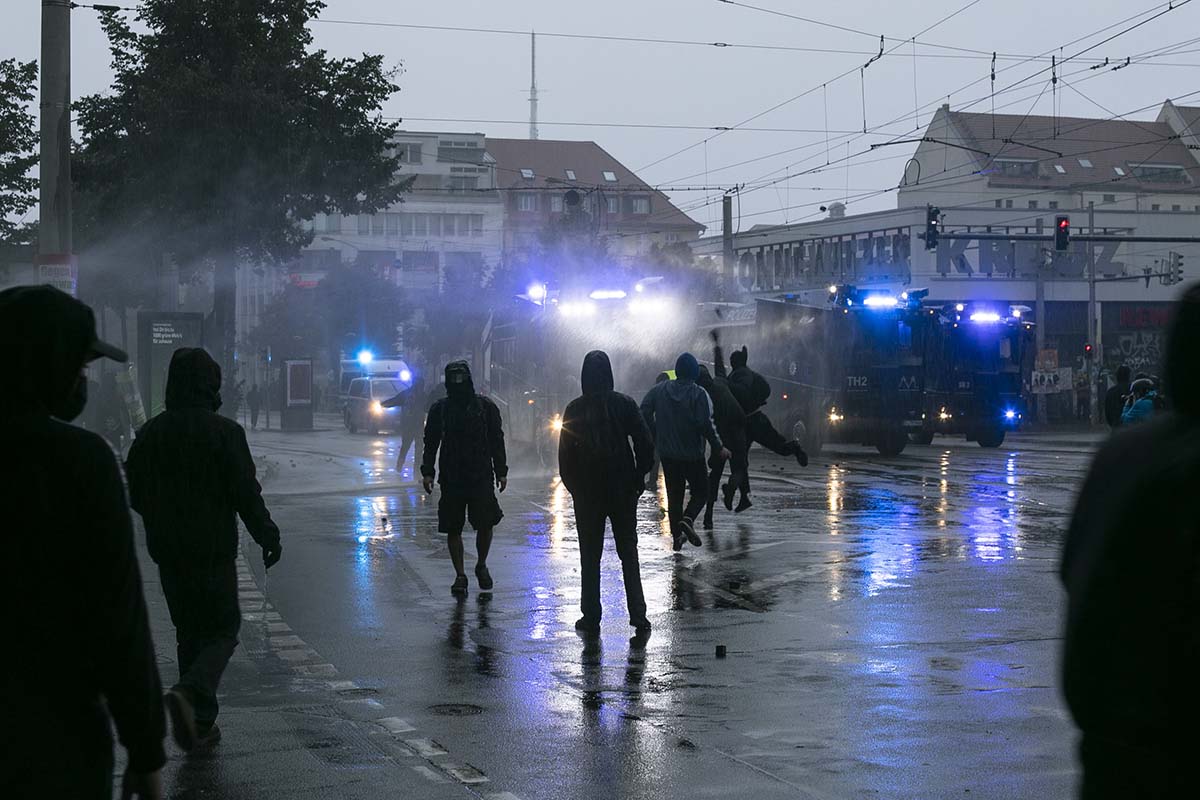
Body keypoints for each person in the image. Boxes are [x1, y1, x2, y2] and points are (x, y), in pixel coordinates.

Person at [0, 285, 166, 799]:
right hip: (54, 742)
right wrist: (144, 747)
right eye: (78, 367)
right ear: (46, 366)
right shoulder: (80, 462)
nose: (82, 381)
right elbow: (117, 615)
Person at [1060, 282, 1199, 799]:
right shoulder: (1185, 466)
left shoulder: (1119, 455)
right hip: (1177, 758)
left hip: (1105, 753)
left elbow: (1072, 567)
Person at [126, 347, 283, 750]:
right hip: (212, 549)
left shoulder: (150, 434)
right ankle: (191, 694)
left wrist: (162, 519)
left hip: (168, 552)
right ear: (210, 383)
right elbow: (245, 493)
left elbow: (136, 494)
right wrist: (267, 535)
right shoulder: (225, 433)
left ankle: (198, 720)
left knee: (189, 632)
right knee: (223, 628)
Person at [558, 351, 655, 634]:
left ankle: (591, 616)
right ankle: (638, 614)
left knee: (590, 556)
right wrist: (638, 477)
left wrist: (575, 489)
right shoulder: (624, 404)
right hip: (623, 488)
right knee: (628, 552)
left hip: (588, 493)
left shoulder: (574, 409)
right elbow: (644, 442)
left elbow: (565, 458)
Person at [421, 361, 508, 595]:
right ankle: (460, 574)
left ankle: (481, 564)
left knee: (485, 522)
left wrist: (501, 470)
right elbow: (430, 442)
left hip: (480, 475)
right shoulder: (440, 410)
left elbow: (496, 440)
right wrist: (427, 471)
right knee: (453, 527)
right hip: (452, 477)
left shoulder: (486, 408)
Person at [641, 353, 729, 551]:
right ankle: (688, 519)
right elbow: (707, 424)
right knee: (701, 491)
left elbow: (643, 410)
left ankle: (677, 538)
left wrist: (654, 431)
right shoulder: (699, 394)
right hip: (693, 456)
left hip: (668, 456)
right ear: (695, 373)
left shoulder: (659, 390)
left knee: (674, 497)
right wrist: (719, 447)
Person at [727, 345, 809, 467]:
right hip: (750, 420)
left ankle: (794, 447)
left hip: (752, 421)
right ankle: (737, 483)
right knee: (741, 459)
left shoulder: (741, 375)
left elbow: (742, 392)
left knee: (742, 458)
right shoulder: (741, 373)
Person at [706, 332, 753, 519]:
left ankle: (708, 514)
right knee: (739, 467)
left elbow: (704, 424)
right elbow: (719, 365)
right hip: (738, 427)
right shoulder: (723, 381)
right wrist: (717, 345)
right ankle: (733, 487)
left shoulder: (704, 394)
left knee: (715, 473)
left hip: (722, 432)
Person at [382, 367, 438, 481]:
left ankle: (406, 471)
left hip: (415, 427)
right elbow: (429, 408)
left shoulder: (412, 395)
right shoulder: (416, 395)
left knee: (412, 449)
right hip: (414, 427)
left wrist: (383, 404)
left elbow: (394, 401)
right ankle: (409, 471)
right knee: (411, 449)